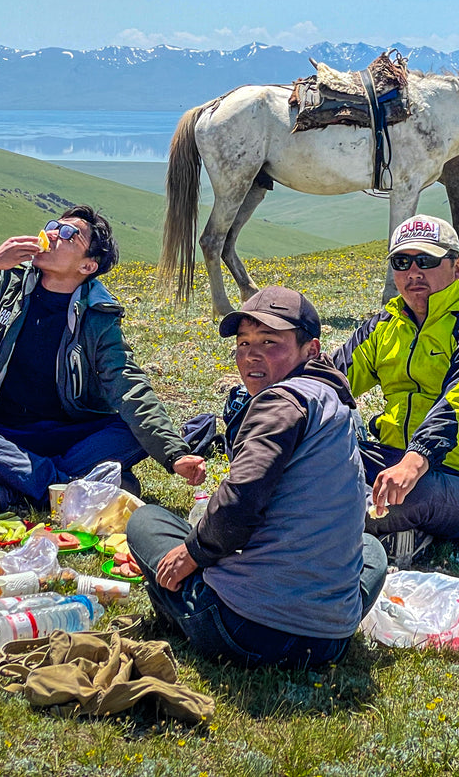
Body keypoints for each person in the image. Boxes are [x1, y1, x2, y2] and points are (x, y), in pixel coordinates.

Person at [127, 286, 386, 669]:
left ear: (310, 350)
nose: (251, 354)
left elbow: (242, 500)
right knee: (372, 551)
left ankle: (185, 608)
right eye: (244, 342)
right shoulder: (334, 400)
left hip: (243, 632)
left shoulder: (281, 402)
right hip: (330, 639)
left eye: (270, 341)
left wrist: (193, 553)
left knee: (146, 521)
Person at [0, 205, 205, 510]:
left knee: (131, 433)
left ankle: (16, 487)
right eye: (53, 226)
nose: (53, 233)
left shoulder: (98, 314)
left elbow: (128, 385)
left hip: (68, 435)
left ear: (87, 267)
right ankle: (71, 487)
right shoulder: (7, 286)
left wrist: (174, 453)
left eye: (69, 234)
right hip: (4, 432)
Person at [333, 214, 459, 569]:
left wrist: (414, 462)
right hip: (392, 461)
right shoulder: (384, 326)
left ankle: (310, 520)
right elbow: (331, 380)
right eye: (402, 262)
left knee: (409, 496)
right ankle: (372, 525)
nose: (414, 272)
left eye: (427, 261)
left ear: (457, 267)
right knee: (314, 458)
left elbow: (457, 407)